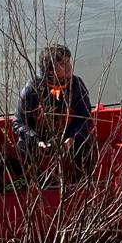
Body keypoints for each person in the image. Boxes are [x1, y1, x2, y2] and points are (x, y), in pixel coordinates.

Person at [13, 45, 94, 176]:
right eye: (62, 63)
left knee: (86, 142)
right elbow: (17, 123)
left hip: (68, 135)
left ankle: (82, 180)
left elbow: (85, 117)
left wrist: (72, 137)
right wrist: (35, 140)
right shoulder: (31, 90)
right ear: (49, 70)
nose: (68, 66)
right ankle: (34, 183)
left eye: (68, 61)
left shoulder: (76, 85)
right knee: (22, 147)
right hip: (39, 138)